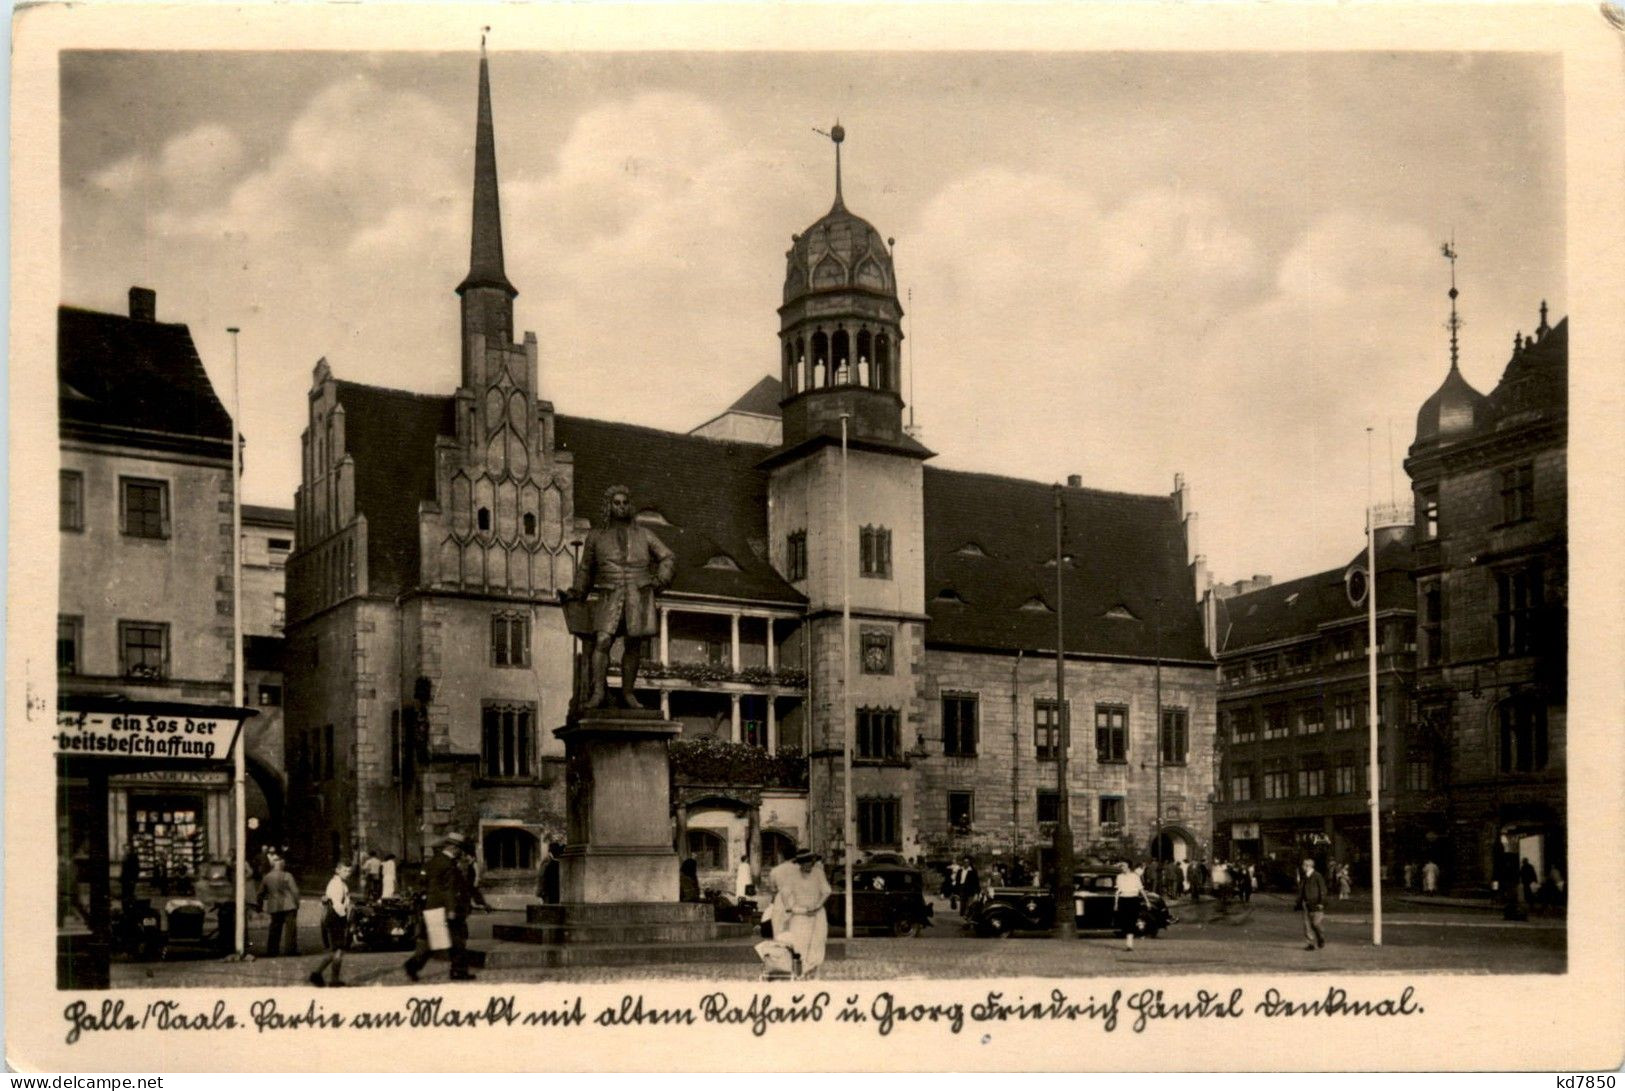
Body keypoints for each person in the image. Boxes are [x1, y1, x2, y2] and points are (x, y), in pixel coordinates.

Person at [558, 485, 676, 709]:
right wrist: (577, 592)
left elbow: (668, 556)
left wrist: (660, 580)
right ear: (608, 506)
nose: (621, 507)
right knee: (602, 640)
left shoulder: (644, 534)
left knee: (633, 645)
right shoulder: (596, 536)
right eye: (616, 503)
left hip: (637, 595)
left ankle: (628, 693)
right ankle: (599, 692)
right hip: (609, 594)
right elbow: (586, 570)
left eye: (624, 503)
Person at [404, 832, 477, 982]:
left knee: (434, 942)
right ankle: (458, 971)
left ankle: (413, 965)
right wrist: (451, 909)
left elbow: (422, 882)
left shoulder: (433, 861)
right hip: (444, 908)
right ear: (453, 848)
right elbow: (448, 889)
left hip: (431, 906)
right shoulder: (448, 864)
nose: (460, 852)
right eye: (459, 849)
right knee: (457, 940)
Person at [769, 848, 831, 979]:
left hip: (818, 913)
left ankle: (813, 973)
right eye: (804, 862)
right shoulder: (793, 875)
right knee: (799, 943)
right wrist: (791, 907)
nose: (807, 865)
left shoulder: (818, 873)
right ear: (799, 863)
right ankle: (800, 972)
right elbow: (785, 893)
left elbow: (826, 891)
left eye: (809, 862)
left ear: (813, 861)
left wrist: (818, 905)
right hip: (800, 915)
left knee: (817, 942)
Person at [309, 862, 353, 987]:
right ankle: (332, 979)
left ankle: (318, 974)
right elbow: (337, 904)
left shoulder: (340, 883)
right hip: (336, 918)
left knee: (336, 950)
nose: (347, 873)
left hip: (335, 918)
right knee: (338, 950)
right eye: (345, 871)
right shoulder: (337, 885)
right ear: (337, 870)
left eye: (349, 871)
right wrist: (345, 916)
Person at [256, 853, 300, 957]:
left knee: (274, 929)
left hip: (274, 906)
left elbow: (260, 893)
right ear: (282, 865)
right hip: (289, 905)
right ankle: (290, 950)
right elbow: (295, 891)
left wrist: (259, 906)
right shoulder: (288, 875)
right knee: (291, 929)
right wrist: (297, 903)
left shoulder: (267, 877)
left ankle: (272, 950)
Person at [1294, 857, 1328, 950]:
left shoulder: (1317, 876)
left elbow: (1323, 890)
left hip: (1316, 903)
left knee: (1315, 923)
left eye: (1303, 865)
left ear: (1308, 866)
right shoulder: (1304, 877)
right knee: (1307, 925)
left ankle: (1321, 937)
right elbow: (1301, 890)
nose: (1302, 867)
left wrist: (1321, 902)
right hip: (1305, 903)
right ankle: (1311, 944)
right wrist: (1298, 902)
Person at [1114, 861, 1146, 951]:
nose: (1122, 868)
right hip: (1123, 899)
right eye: (1121, 866)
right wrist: (1116, 903)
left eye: (1123, 866)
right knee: (1124, 920)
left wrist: (1147, 901)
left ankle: (1129, 944)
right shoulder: (1119, 877)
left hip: (1133, 899)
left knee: (1131, 920)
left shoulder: (1135, 877)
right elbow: (1117, 891)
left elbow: (1141, 889)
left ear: (1128, 867)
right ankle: (1136, 928)